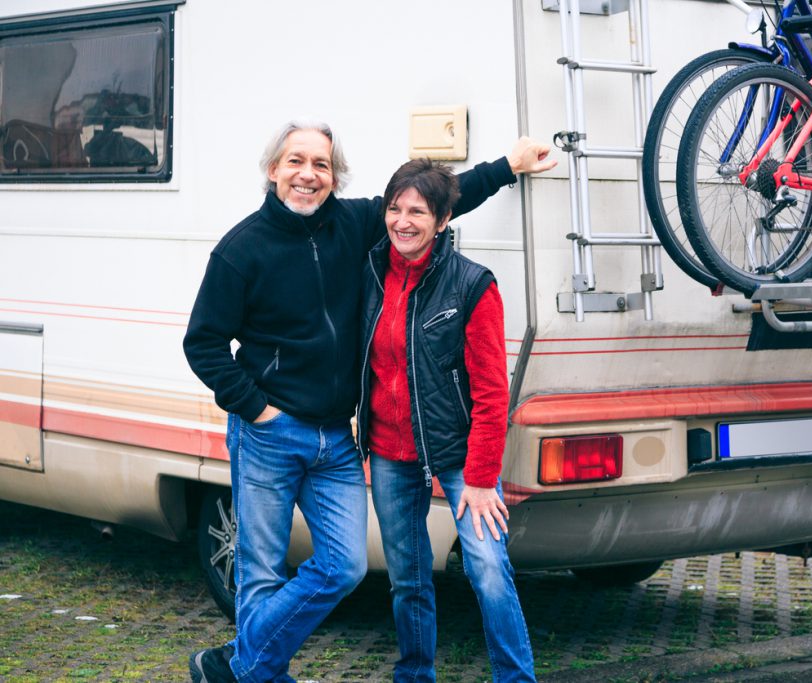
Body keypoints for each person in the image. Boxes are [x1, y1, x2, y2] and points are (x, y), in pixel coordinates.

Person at [183, 119, 555, 683]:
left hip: (340, 438)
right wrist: (256, 408)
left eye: (321, 165)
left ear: (334, 176)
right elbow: (203, 343)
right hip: (274, 435)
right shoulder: (242, 251)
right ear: (272, 170)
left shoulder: (355, 225)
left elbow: (435, 198)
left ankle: (233, 665)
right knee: (261, 572)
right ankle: (261, 674)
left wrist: (506, 167)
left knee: (348, 566)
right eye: (296, 162)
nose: (308, 175)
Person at [356, 158, 537, 682]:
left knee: (488, 571)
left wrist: (481, 480)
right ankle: (414, 674)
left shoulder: (472, 285)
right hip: (390, 451)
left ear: (442, 219)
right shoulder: (371, 273)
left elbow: (490, 391)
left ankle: (515, 677)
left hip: (461, 456)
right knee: (407, 577)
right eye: (394, 208)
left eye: (418, 210)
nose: (403, 221)